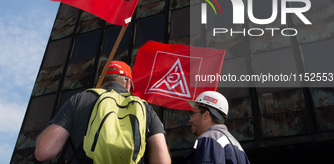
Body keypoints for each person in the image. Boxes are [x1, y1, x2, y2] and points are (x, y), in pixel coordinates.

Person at [35, 60, 171, 164]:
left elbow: (44, 152)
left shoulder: (80, 99)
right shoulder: (145, 108)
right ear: (128, 84)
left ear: (101, 82)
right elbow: (162, 161)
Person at [185, 91, 250, 164]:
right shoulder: (236, 145)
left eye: (193, 113)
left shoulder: (209, 139)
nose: (191, 120)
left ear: (206, 115)